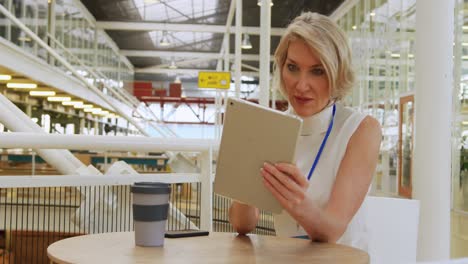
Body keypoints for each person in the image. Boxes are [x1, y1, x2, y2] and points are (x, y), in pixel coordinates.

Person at [228, 12, 382, 251]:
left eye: (317, 71)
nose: (301, 85)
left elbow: (332, 229)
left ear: (337, 73)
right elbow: (242, 224)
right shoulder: (273, 128)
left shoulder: (361, 129)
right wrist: (245, 172)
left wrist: (294, 200)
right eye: (292, 67)